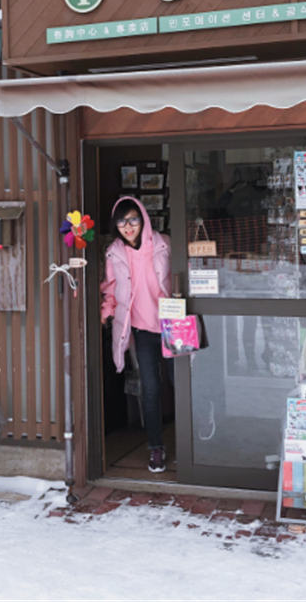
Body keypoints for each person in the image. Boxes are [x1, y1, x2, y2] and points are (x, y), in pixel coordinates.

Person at [100, 196, 172, 473]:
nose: (127, 226)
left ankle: (199, 440)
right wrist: (106, 311)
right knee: (151, 389)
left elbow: (180, 276)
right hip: (142, 330)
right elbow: (110, 288)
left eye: (133, 219)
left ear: (143, 218)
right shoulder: (114, 253)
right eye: (121, 221)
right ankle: (156, 448)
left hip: (171, 326)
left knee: (183, 383)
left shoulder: (164, 243)